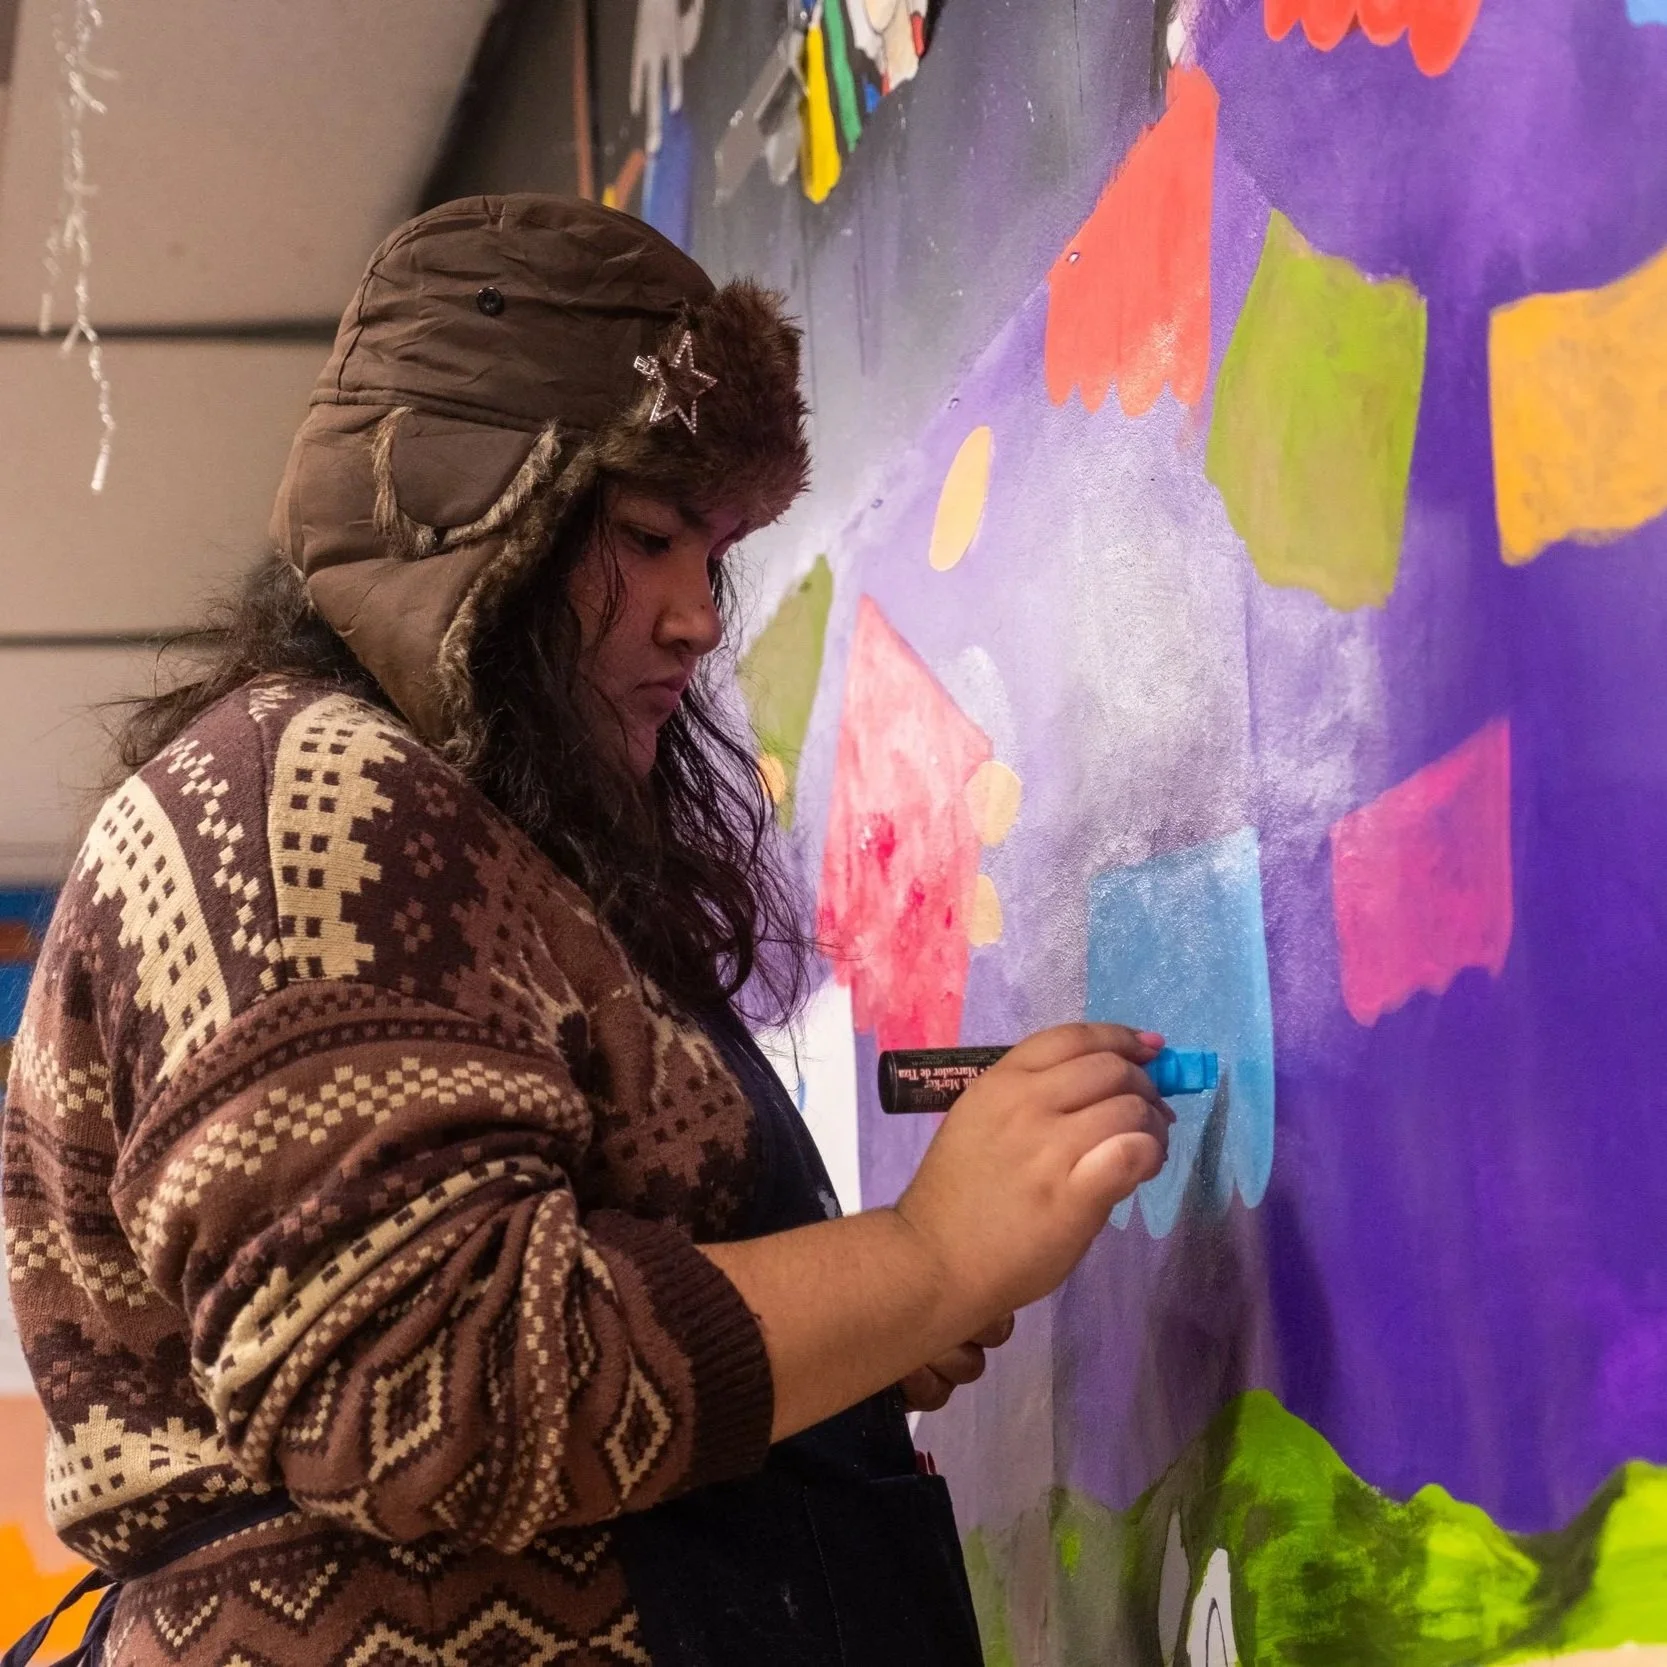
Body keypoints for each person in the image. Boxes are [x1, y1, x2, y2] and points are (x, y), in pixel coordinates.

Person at [1, 196, 1172, 1667]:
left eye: (717, 549)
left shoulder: (458, 821)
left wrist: (852, 1325)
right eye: (646, 535)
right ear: (474, 510)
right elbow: (423, 1397)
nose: (694, 615)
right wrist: (923, 1256)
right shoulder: (296, 793)